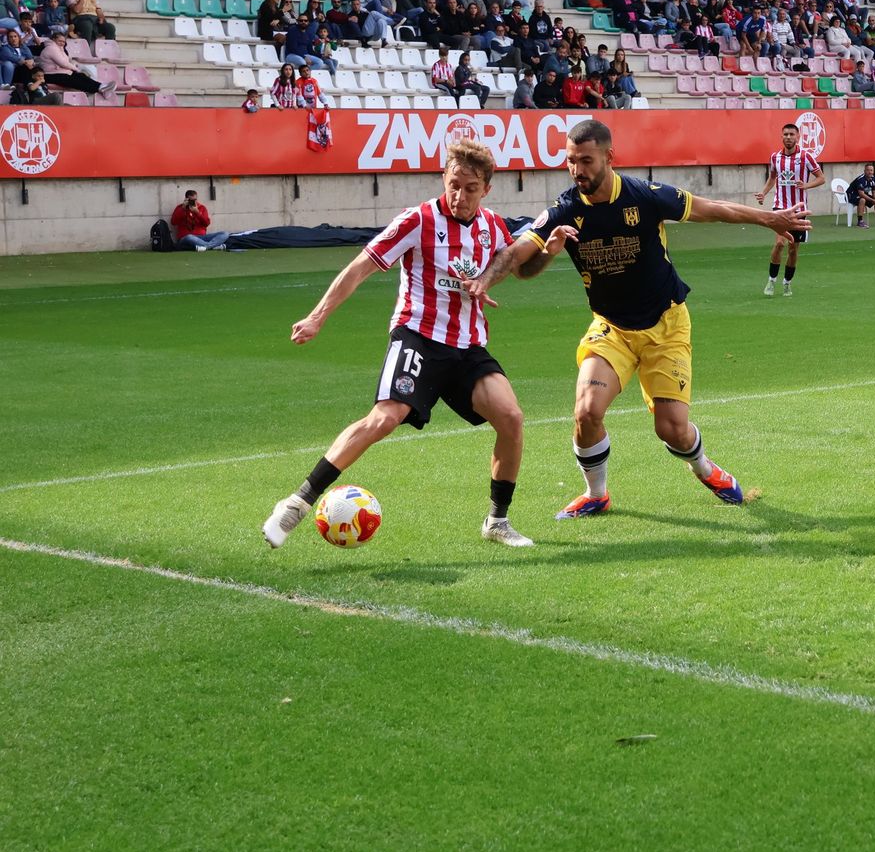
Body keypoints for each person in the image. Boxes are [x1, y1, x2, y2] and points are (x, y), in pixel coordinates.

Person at [464, 119, 809, 520]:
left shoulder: (645, 195)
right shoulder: (566, 208)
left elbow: (711, 209)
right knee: (586, 411)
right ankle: (597, 494)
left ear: (610, 157)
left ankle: (704, 468)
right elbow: (519, 253)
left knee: (672, 430)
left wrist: (770, 219)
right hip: (612, 329)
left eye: (586, 161)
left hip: (666, 325)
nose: (578, 170)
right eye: (571, 161)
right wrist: (485, 279)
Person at [262, 140, 540, 549]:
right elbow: (360, 267)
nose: (459, 196)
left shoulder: (493, 226)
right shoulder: (418, 220)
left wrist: (548, 250)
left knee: (512, 419)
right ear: (444, 179)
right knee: (384, 418)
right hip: (418, 337)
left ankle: (496, 521)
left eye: (470, 188)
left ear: (486, 190)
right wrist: (317, 317)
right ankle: (297, 503)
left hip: (467, 347)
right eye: (453, 184)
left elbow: (517, 266)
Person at [755, 121, 823, 296]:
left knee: (793, 249)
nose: (788, 137)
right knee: (779, 244)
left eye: (792, 134)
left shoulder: (806, 157)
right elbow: (772, 178)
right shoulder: (775, 157)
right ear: (781, 136)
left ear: (798, 137)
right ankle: (771, 281)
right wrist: (763, 192)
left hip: (799, 209)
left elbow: (821, 178)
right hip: (779, 207)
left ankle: (787, 283)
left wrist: (806, 185)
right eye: (785, 134)